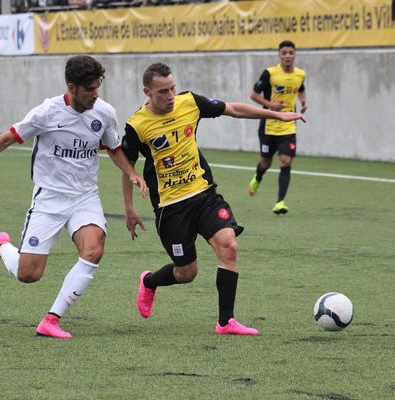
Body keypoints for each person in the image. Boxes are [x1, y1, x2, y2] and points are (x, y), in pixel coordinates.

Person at [0, 55, 147, 339]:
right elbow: (7, 138)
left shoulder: (104, 112)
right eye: (90, 89)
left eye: (98, 88)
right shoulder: (47, 113)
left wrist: (131, 172)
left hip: (85, 197)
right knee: (29, 274)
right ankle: (1, 247)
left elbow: (114, 147)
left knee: (94, 249)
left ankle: (51, 320)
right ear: (72, 87)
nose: (96, 94)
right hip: (49, 199)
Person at [121, 62, 305, 335]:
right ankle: (149, 281)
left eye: (172, 88)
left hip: (203, 193)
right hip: (171, 207)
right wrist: (129, 209)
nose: (170, 96)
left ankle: (226, 321)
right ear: (147, 91)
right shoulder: (137, 126)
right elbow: (126, 167)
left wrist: (276, 116)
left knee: (228, 246)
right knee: (187, 273)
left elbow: (232, 109)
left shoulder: (190, 102)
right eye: (162, 91)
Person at [248, 40, 308, 215]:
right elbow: (253, 95)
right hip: (268, 125)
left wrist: (303, 101)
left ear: (294, 54)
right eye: (284, 53)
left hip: (288, 126)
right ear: (279, 55)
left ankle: (280, 202)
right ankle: (258, 177)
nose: (288, 56)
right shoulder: (270, 73)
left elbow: (301, 88)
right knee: (266, 162)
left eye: (290, 53)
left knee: (286, 161)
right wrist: (270, 105)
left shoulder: (300, 74)